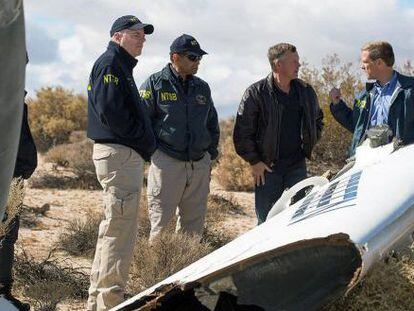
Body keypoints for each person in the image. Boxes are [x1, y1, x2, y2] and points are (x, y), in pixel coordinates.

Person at [86, 15, 156, 311]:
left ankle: (97, 302)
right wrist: (142, 140)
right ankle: (110, 304)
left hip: (121, 154)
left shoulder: (119, 65)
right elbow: (111, 112)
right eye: (135, 33)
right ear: (117, 36)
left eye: (143, 34)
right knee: (120, 233)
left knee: (112, 229)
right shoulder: (111, 64)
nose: (142, 38)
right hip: (119, 154)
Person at [139, 34, 220, 240]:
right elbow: (142, 123)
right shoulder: (154, 83)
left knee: (193, 228)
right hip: (167, 163)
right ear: (175, 57)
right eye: (193, 57)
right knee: (161, 226)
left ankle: (189, 269)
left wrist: (209, 155)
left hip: (198, 164)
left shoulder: (202, 87)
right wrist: (155, 154)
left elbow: (212, 122)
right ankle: (158, 271)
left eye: (199, 58)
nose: (197, 62)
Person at [233, 43, 323, 224]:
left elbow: (317, 120)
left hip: (297, 165)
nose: (299, 65)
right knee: (266, 221)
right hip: (268, 169)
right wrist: (255, 161)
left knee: (301, 216)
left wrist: (310, 142)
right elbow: (242, 132)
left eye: (298, 61)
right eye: (294, 62)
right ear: (278, 65)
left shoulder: (305, 91)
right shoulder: (256, 93)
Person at [330, 41, 414, 155]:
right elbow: (357, 126)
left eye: (365, 62)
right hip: (368, 162)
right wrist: (337, 105)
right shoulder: (363, 96)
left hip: (399, 162)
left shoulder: (410, 90)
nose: (362, 66)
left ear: (379, 62)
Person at [0, 98, 38, 311]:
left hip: (12, 172)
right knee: (5, 236)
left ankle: (4, 294)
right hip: (7, 172)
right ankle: (3, 295)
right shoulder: (8, 87)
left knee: (7, 235)